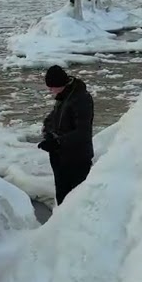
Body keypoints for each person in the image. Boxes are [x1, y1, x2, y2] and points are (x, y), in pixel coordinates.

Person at [38, 65, 94, 205]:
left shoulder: (81, 99)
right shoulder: (63, 97)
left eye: (51, 87)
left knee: (76, 200)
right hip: (60, 157)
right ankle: (62, 224)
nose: (49, 90)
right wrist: (47, 130)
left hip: (77, 159)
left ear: (60, 84)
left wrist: (58, 142)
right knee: (62, 198)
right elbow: (54, 118)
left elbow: (83, 132)